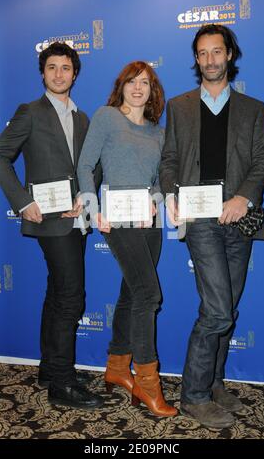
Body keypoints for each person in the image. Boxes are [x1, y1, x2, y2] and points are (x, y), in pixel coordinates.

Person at [159, 24, 264, 429]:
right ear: (196, 59)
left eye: (216, 52)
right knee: (217, 310)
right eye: (202, 53)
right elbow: (169, 158)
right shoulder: (179, 106)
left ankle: (214, 381)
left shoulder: (255, 109)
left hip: (239, 219)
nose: (210, 60)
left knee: (229, 306)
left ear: (229, 55)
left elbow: (263, 162)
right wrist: (170, 194)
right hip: (201, 218)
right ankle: (193, 395)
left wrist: (243, 197)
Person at [0, 42, 103, 410]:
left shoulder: (83, 118)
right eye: (51, 67)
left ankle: (50, 369)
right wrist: (22, 201)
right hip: (48, 221)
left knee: (58, 293)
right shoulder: (30, 112)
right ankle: (63, 384)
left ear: (74, 73)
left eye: (65, 68)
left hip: (75, 219)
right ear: (43, 72)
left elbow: (92, 166)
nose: (58, 74)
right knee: (71, 297)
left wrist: (85, 196)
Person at [77, 61, 177, 417]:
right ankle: (148, 384)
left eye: (145, 83)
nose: (138, 88)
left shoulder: (158, 132)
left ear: (153, 91)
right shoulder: (105, 117)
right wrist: (92, 208)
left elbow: (157, 181)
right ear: (121, 86)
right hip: (116, 219)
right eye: (132, 82)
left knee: (131, 294)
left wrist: (155, 201)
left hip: (148, 224)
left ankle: (117, 368)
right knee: (149, 294)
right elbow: (85, 165)